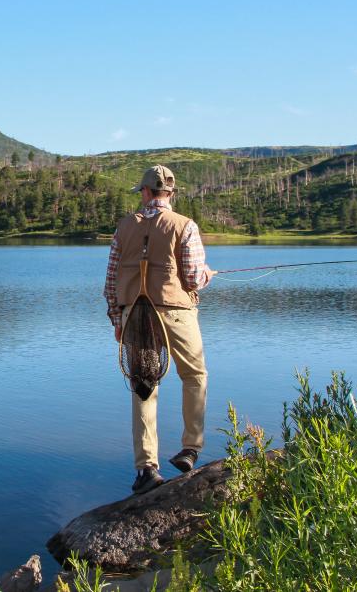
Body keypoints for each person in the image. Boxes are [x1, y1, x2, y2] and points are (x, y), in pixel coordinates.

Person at [103, 164, 216, 494]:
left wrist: (116, 319)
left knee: (143, 386)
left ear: (146, 192)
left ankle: (146, 469)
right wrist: (208, 275)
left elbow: (111, 281)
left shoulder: (124, 228)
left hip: (134, 315)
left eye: (142, 191)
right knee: (194, 376)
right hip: (176, 312)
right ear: (169, 193)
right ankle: (190, 449)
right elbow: (194, 279)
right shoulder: (185, 226)